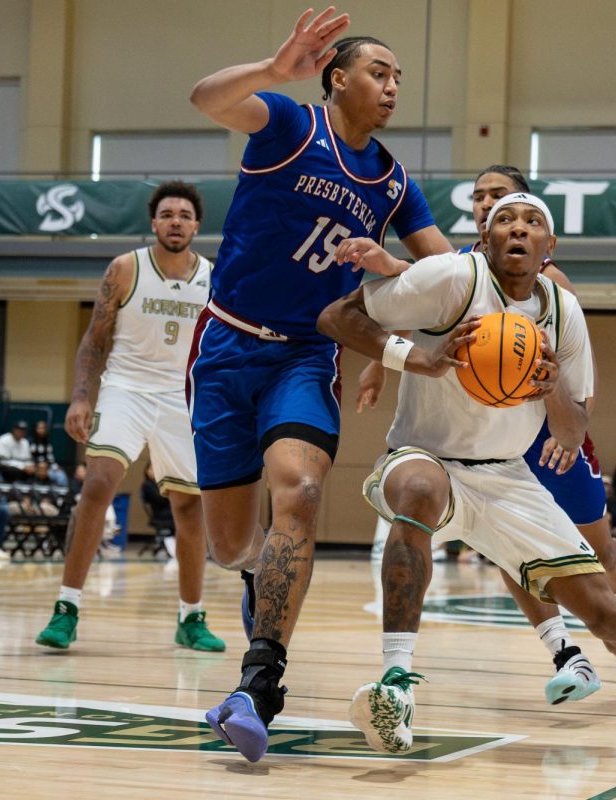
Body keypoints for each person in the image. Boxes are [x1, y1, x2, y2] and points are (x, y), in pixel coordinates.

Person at [318, 191, 616, 756]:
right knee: (419, 489)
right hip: (427, 456)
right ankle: (395, 687)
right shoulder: (452, 278)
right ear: (486, 236)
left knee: (607, 612)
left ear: (550, 246)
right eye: (504, 221)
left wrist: (549, 390)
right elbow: (336, 317)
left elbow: (573, 431)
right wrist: (414, 357)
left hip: (507, 476)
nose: (517, 230)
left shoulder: (562, 311)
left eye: (531, 223)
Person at [190, 9, 454, 760]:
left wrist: (400, 270)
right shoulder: (288, 125)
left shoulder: (395, 182)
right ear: (338, 79)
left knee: (300, 493)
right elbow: (205, 98)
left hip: (308, 353)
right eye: (380, 72)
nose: (394, 85)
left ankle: (259, 682)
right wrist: (275, 68)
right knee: (234, 543)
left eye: (400, 76)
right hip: (225, 348)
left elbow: (442, 275)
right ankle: (255, 578)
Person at [357, 164, 616, 704]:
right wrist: (380, 362)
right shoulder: (465, 264)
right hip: (490, 432)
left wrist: (568, 429)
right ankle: (566, 654)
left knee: (600, 551)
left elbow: (580, 389)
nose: (488, 204)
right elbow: (414, 297)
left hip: (548, 432)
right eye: (481, 197)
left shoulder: (551, 284)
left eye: (501, 196)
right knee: (511, 550)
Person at [35, 180, 224, 655]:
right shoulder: (125, 268)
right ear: (154, 222)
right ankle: (66, 608)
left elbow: (224, 346)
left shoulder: (214, 276)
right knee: (98, 483)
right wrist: (82, 398)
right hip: (126, 388)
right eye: (167, 214)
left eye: (184, 214)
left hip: (183, 396)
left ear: (196, 225)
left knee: (188, 507)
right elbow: (95, 338)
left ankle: (191, 616)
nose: (175, 221)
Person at [29, 419, 67, 487]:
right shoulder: (30, 443)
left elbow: (51, 459)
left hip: (47, 468)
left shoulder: (48, 444)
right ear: (35, 429)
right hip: (35, 467)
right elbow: (29, 457)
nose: (41, 431)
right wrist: (35, 466)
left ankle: (60, 493)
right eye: (39, 428)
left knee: (61, 475)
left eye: (43, 428)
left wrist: (56, 467)